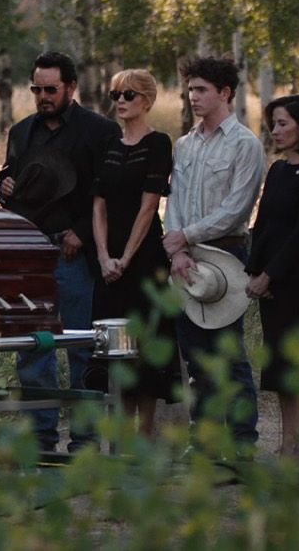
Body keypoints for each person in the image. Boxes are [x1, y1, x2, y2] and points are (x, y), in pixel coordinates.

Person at [0, 51, 119, 453]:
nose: (43, 96)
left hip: (75, 257)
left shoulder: (99, 131)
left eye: (51, 89)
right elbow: (11, 177)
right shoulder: (22, 131)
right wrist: (5, 186)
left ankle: (84, 441)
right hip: (30, 255)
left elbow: (109, 192)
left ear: (71, 88)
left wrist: (81, 234)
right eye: (37, 89)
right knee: (33, 349)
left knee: (82, 346)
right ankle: (40, 438)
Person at [162, 56, 266, 453]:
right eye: (190, 90)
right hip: (186, 257)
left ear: (225, 93)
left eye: (202, 89)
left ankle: (242, 444)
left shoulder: (245, 144)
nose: (194, 97)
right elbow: (176, 200)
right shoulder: (184, 144)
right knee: (194, 356)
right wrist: (177, 249)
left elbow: (237, 208)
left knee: (228, 354)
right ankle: (202, 441)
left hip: (226, 253)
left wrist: (185, 235)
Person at [89, 69, 179, 437]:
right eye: (116, 95)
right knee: (113, 348)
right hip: (108, 260)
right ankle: (121, 436)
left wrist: (125, 258)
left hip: (142, 259)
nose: (121, 101)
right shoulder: (108, 143)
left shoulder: (158, 143)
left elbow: (149, 206)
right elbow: (98, 205)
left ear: (147, 100)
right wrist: (103, 257)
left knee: (145, 348)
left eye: (129, 95)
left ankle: (145, 435)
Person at [246, 94, 299, 456]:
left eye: (283, 123)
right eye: (273, 124)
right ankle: (286, 440)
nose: (275, 131)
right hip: (269, 283)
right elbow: (262, 226)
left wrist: (271, 275)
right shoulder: (276, 170)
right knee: (278, 366)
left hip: (296, 281)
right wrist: (254, 271)